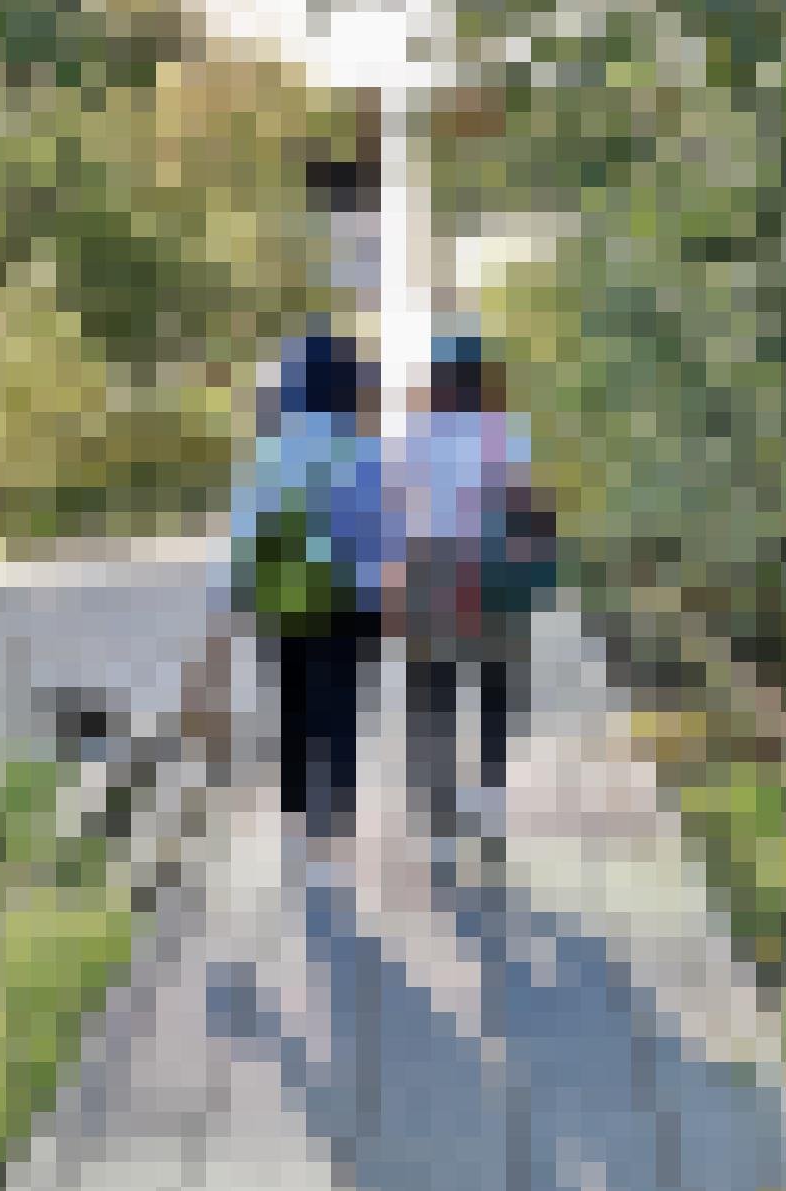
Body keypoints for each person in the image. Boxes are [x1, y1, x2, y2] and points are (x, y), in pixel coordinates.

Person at [226, 326, 393, 838]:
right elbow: (377, 530)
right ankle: (336, 807)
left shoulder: (276, 453)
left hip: (288, 601)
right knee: (341, 701)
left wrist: (239, 593)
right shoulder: (364, 453)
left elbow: (251, 528)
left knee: (295, 701)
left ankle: (299, 811)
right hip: (349, 600)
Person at [398, 329, 556, 839]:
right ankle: (489, 794)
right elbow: (527, 507)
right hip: (492, 572)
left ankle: (434, 797)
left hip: (431, 571)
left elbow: (401, 511)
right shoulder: (507, 435)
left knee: (432, 685)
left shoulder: (418, 438)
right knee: (494, 683)